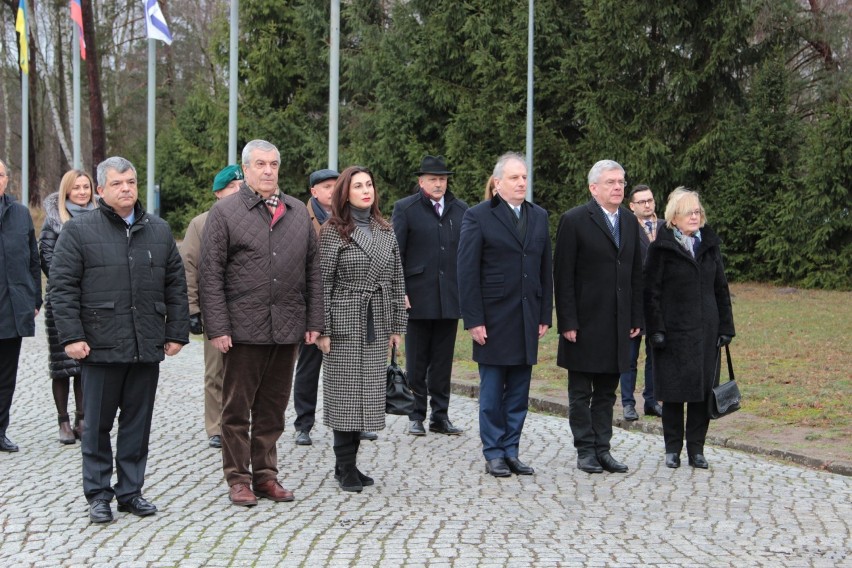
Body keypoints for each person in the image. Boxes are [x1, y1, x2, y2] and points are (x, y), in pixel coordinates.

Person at [50, 156, 189, 524]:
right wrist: (72, 336)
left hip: (145, 345)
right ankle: (98, 494)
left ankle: (131, 491)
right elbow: (62, 289)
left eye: (131, 181)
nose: (126, 188)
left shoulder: (158, 230)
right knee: (95, 426)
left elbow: (176, 284)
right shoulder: (79, 232)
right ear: (100, 190)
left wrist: (176, 331)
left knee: (137, 424)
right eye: (117, 183)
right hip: (99, 346)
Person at [201, 140, 323, 507]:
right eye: (260, 164)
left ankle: (266, 476)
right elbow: (210, 274)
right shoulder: (224, 213)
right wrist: (218, 327)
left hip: (286, 327)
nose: (268, 170)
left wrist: (315, 319)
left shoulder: (297, 211)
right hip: (242, 329)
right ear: (246, 170)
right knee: (236, 410)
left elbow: (313, 272)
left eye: (273, 164)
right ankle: (238, 479)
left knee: (272, 409)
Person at [457, 152, 552, 478]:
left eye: (524, 177)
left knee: (519, 394)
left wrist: (545, 313)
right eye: (514, 177)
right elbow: (467, 271)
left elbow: (544, 268)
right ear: (498, 183)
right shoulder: (478, 216)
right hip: (494, 319)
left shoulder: (539, 216)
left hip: (527, 316)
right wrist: (474, 320)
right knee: (492, 393)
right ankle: (493, 452)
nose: (521, 182)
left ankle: (512, 450)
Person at [315, 166, 407, 493]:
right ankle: (344, 467)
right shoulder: (333, 230)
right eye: (358, 186)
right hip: (344, 321)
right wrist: (322, 329)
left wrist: (397, 325)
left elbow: (397, 279)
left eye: (369, 184)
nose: (366, 190)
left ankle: (351, 465)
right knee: (344, 397)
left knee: (367, 396)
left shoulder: (385, 229)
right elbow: (323, 282)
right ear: (346, 192)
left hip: (377, 321)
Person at [553, 159, 643, 475]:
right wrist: (568, 322)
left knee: (607, 391)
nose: (618, 187)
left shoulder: (630, 223)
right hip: (584, 323)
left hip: (618, 323)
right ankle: (585, 450)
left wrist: (636, 316)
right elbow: (562, 276)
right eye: (611, 182)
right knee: (581, 392)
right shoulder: (575, 220)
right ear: (594, 188)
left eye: (621, 181)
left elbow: (635, 274)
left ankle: (603, 449)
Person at [644, 187, 735, 469]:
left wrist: (726, 326)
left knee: (702, 392)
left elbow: (721, 287)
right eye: (688, 212)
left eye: (697, 212)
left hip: (706, 330)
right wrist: (656, 328)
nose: (694, 217)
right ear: (674, 217)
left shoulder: (709, 244)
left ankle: (697, 449)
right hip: (672, 332)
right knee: (673, 393)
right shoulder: (662, 247)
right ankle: (673, 448)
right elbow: (651, 291)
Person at [293, 168, 377, 445]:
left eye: (335, 185)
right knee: (309, 364)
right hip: (309, 302)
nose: (331, 190)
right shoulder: (300, 217)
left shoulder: (352, 218)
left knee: (353, 366)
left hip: (347, 307)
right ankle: (304, 422)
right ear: (314, 192)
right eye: (326, 186)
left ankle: (356, 420)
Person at [392, 155, 468, 437]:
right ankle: (416, 414)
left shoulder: (461, 210)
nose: (439, 184)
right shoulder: (406, 209)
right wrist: (401, 291)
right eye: (433, 179)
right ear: (421, 181)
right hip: (418, 295)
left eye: (443, 180)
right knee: (417, 361)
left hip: (449, 296)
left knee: (443, 361)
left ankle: (440, 415)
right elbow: (395, 254)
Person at [180, 164, 243, 449]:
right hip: (216, 309)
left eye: (241, 186)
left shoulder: (255, 219)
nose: (237, 191)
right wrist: (192, 309)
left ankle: (242, 422)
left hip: (248, 309)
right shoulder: (201, 223)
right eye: (231, 187)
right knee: (216, 372)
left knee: (245, 371)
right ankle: (216, 426)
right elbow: (189, 267)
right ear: (218, 193)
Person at [39, 169, 98, 444]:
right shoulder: (54, 221)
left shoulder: (100, 218)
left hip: (92, 300)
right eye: (77, 188)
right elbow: (47, 258)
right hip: (62, 300)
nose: (83, 192)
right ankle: (63, 420)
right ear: (67, 191)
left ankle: (83, 417)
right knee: (63, 364)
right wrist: (72, 280)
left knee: (86, 363)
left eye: (86, 187)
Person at [0, 158, 42, 453]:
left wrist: (35, 298)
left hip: (12, 309)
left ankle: (0, 430)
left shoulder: (20, 214)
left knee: (5, 378)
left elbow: (32, 258)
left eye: (0, 174)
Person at [619, 184, 664, 421]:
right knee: (629, 356)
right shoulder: (626, 229)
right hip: (633, 301)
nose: (648, 205)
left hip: (659, 302)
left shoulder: (667, 227)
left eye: (650, 200)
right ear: (632, 206)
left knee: (655, 354)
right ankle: (628, 403)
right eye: (642, 201)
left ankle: (652, 400)